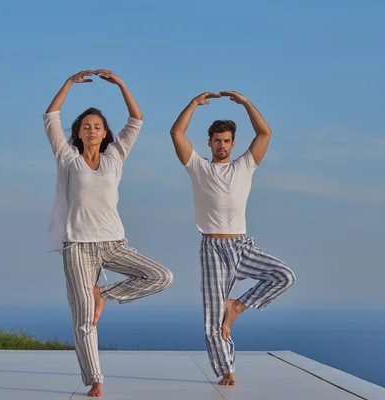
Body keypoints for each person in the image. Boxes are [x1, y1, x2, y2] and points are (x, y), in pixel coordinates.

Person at [43, 70, 173, 397]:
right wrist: (69, 84)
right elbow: (50, 117)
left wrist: (122, 86)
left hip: (113, 243)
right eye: (86, 126)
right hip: (78, 247)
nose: (91, 130)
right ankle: (96, 379)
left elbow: (136, 119)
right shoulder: (67, 158)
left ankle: (106, 294)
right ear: (78, 133)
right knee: (84, 318)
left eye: (97, 126)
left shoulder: (115, 156)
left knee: (161, 276)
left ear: (104, 134)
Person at [169, 91, 296, 386]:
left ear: (233, 143)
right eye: (217, 140)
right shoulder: (198, 167)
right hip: (212, 248)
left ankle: (237, 306)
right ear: (209, 142)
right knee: (213, 318)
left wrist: (247, 103)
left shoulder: (245, 165)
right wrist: (192, 104)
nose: (222, 145)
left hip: (240, 245)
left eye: (227, 140)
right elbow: (176, 132)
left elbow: (265, 132)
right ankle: (228, 370)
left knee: (284, 275)